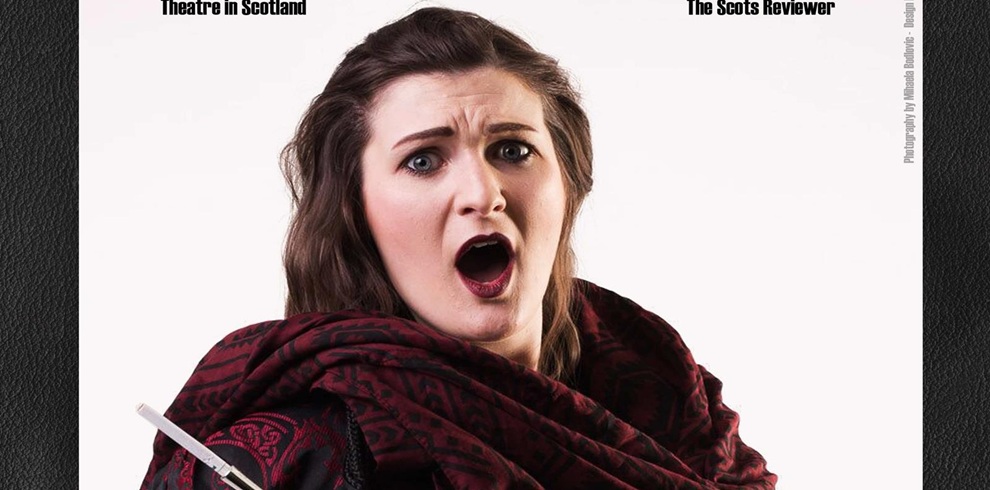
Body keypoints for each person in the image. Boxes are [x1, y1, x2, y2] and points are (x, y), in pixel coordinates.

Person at [141, 7, 776, 489]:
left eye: (513, 150)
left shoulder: (673, 394)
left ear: (570, 180)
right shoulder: (296, 451)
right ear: (356, 211)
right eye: (422, 160)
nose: (482, 192)